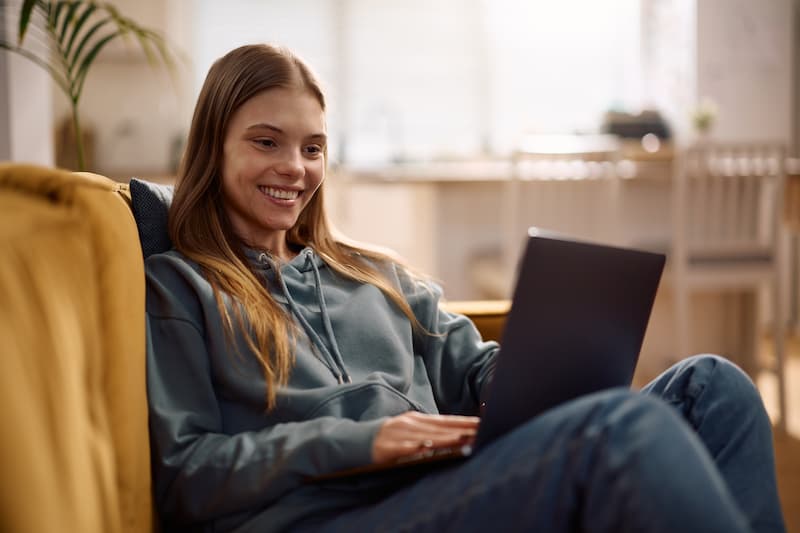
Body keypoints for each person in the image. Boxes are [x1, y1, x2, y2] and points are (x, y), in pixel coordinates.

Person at [145, 43, 786, 533]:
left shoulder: (375, 274)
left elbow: (474, 367)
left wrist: (540, 370)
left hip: (446, 483)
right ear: (215, 146)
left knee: (715, 386)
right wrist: (364, 440)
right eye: (267, 142)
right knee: (619, 431)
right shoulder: (182, 286)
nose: (295, 167)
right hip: (331, 516)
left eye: (313, 148)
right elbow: (186, 474)